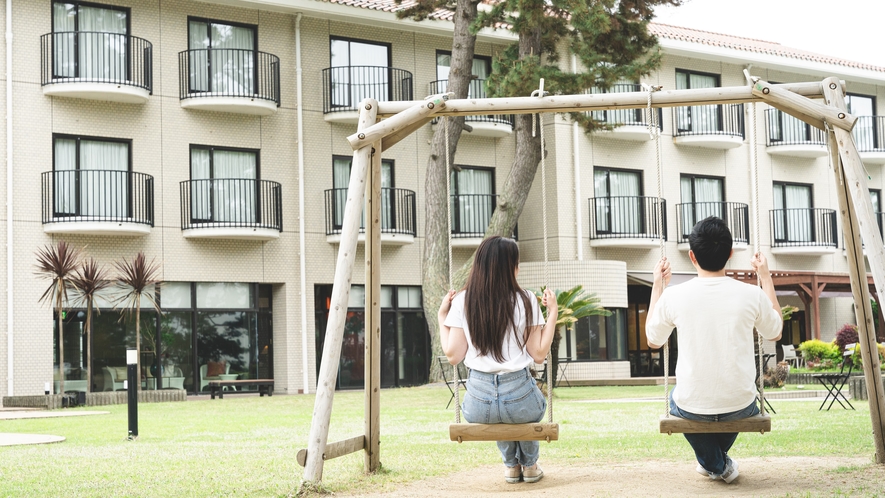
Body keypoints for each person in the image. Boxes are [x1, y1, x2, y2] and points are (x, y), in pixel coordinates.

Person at [645, 216, 782, 484]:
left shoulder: (675, 296)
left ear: (692, 256)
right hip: (741, 404)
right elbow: (775, 332)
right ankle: (716, 461)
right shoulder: (751, 295)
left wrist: (658, 285)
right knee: (723, 403)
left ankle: (717, 465)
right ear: (730, 254)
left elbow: (653, 339)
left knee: (677, 400)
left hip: (692, 405)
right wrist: (765, 277)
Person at [438, 236, 558, 484]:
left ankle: (512, 466)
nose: (519, 267)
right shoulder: (525, 300)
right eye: (517, 262)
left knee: (500, 411)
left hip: (478, 403)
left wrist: (442, 317)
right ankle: (530, 465)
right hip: (520, 398)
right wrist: (553, 312)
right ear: (509, 266)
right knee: (521, 409)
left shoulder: (463, 301)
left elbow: (453, 356)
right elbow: (538, 354)